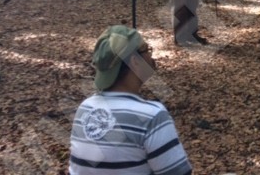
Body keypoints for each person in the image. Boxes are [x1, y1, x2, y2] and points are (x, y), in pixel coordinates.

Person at [69, 25, 193, 174]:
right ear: (135, 61)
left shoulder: (85, 109)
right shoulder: (151, 116)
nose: (151, 56)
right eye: (146, 50)